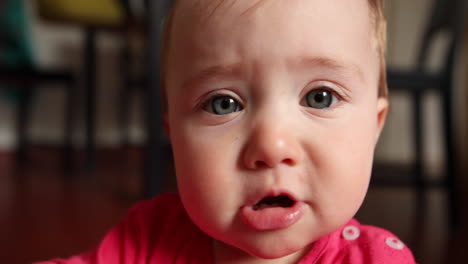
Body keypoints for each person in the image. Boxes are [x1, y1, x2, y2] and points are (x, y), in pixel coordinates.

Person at [38, 0, 417, 263]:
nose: (271, 145)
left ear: (374, 126)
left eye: (319, 97)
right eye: (224, 104)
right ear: (174, 137)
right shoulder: (148, 239)